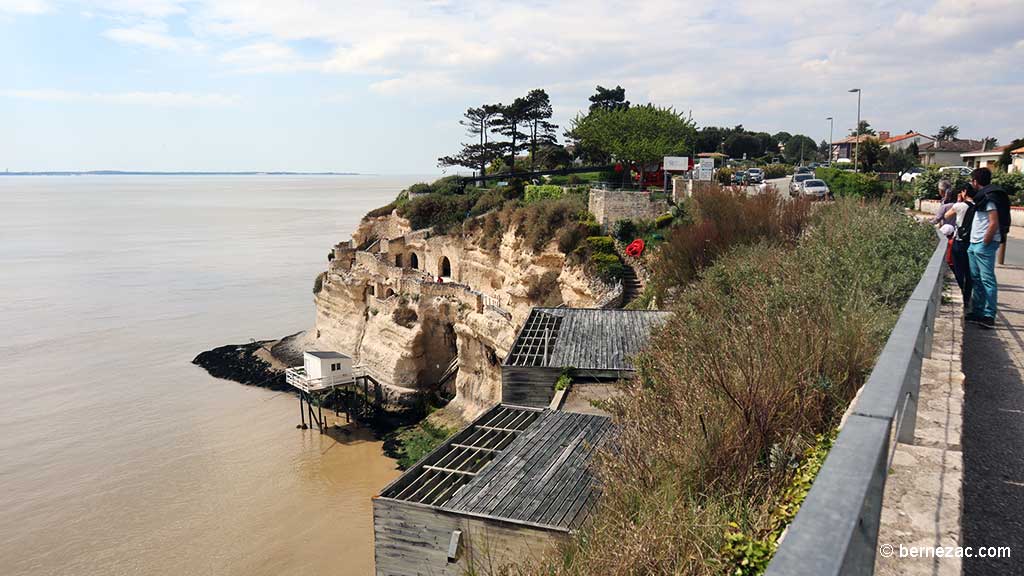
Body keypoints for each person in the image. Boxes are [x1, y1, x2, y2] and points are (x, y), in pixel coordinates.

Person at [965, 168, 1002, 328]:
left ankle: (989, 315)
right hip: (975, 243)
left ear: (975, 181)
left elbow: (994, 222)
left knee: (987, 280)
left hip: (983, 244)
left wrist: (985, 241)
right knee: (976, 279)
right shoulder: (981, 198)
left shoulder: (990, 198)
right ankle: (977, 312)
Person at [945, 183, 975, 308]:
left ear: (964, 191)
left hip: (959, 241)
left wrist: (958, 201)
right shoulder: (978, 206)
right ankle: (967, 299)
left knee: (958, 271)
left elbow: (947, 216)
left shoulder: (959, 206)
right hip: (972, 242)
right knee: (969, 273)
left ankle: (960, 297)